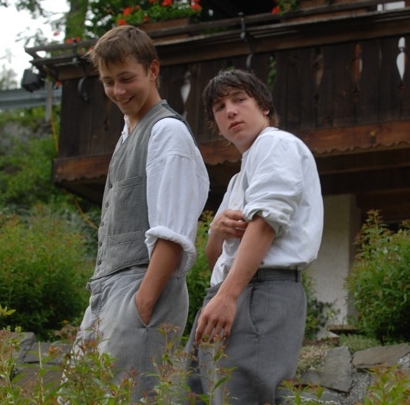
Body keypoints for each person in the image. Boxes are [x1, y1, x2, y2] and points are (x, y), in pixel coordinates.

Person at [70, 26, 209, 399]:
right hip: (107, 292)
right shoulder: (128, 132)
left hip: (140, 289)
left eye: (126, 78)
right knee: (82, 396)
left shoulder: (167, 132)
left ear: (153, 70)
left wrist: (142, 305)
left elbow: (172, 233)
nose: (118, 91)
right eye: (108, 82)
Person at [185, 69, 324, 404]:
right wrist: (216, 232)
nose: (230, 111)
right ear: (216, 125)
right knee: (201, 394)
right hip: (230, 291)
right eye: (220, 107)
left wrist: (228, 296)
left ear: (264, 106)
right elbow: (217, 260)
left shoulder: (276, 144)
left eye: (239, 100)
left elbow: (266, 224)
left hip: (261, 291)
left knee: (240, 395)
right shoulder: (239, 177)